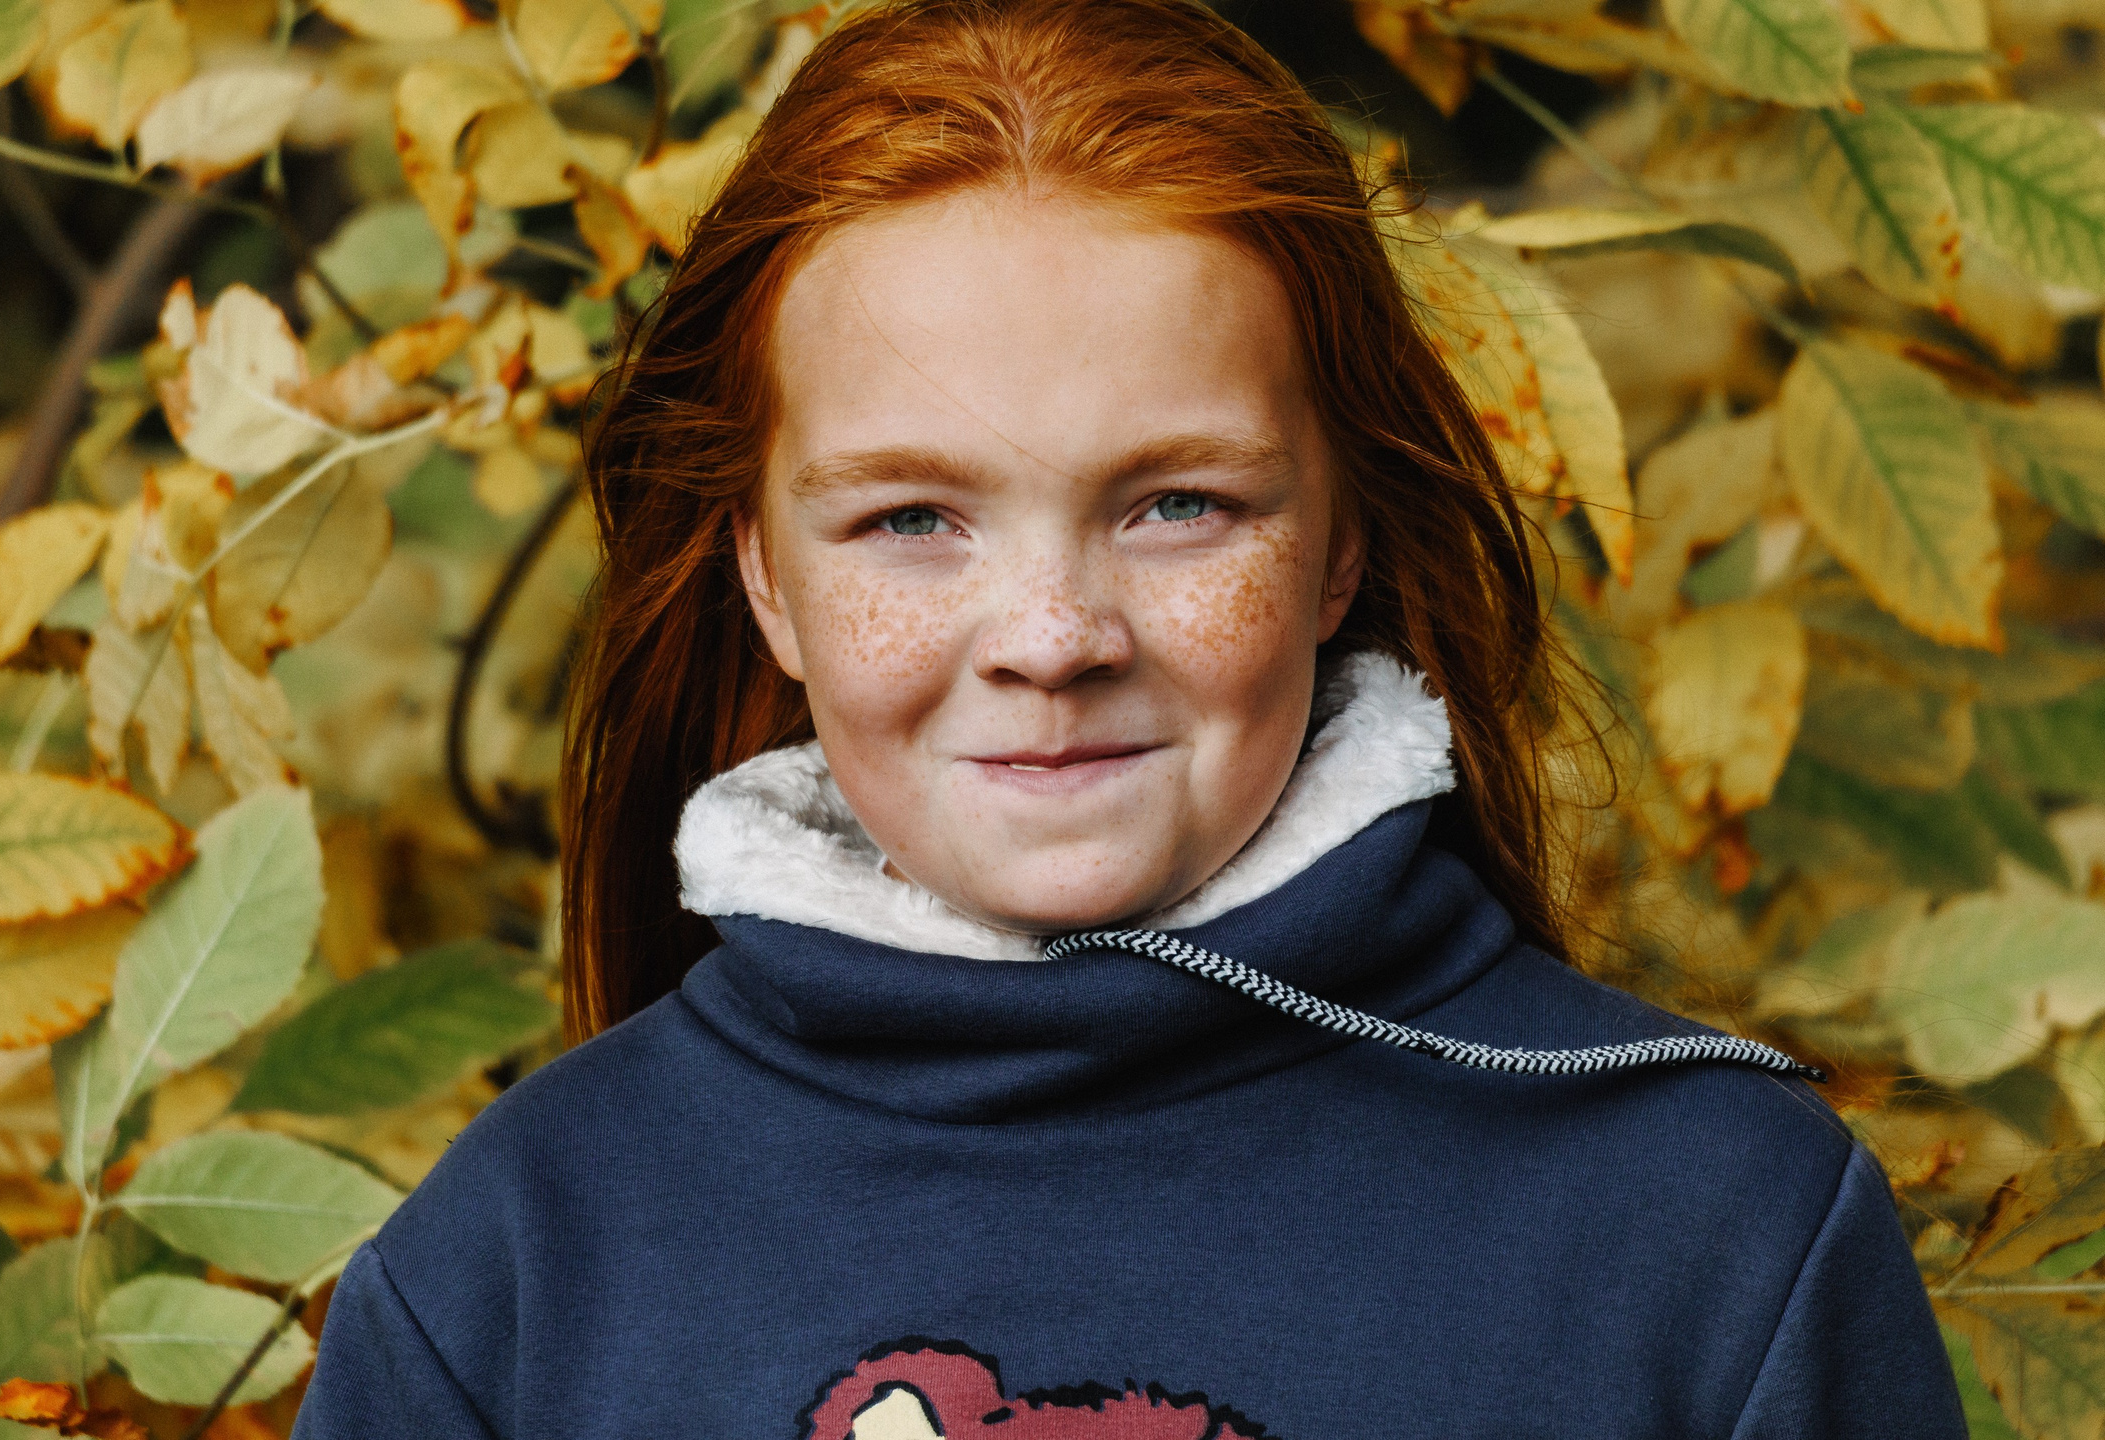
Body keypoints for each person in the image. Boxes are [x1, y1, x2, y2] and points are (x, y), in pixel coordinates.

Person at [292, 0, 1966, 1434]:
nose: (1052, 637)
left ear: (1338, 547)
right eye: (908, 521)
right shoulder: (513, 1272)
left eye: (1179, 506)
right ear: (766, 582)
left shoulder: (1718, 1229)